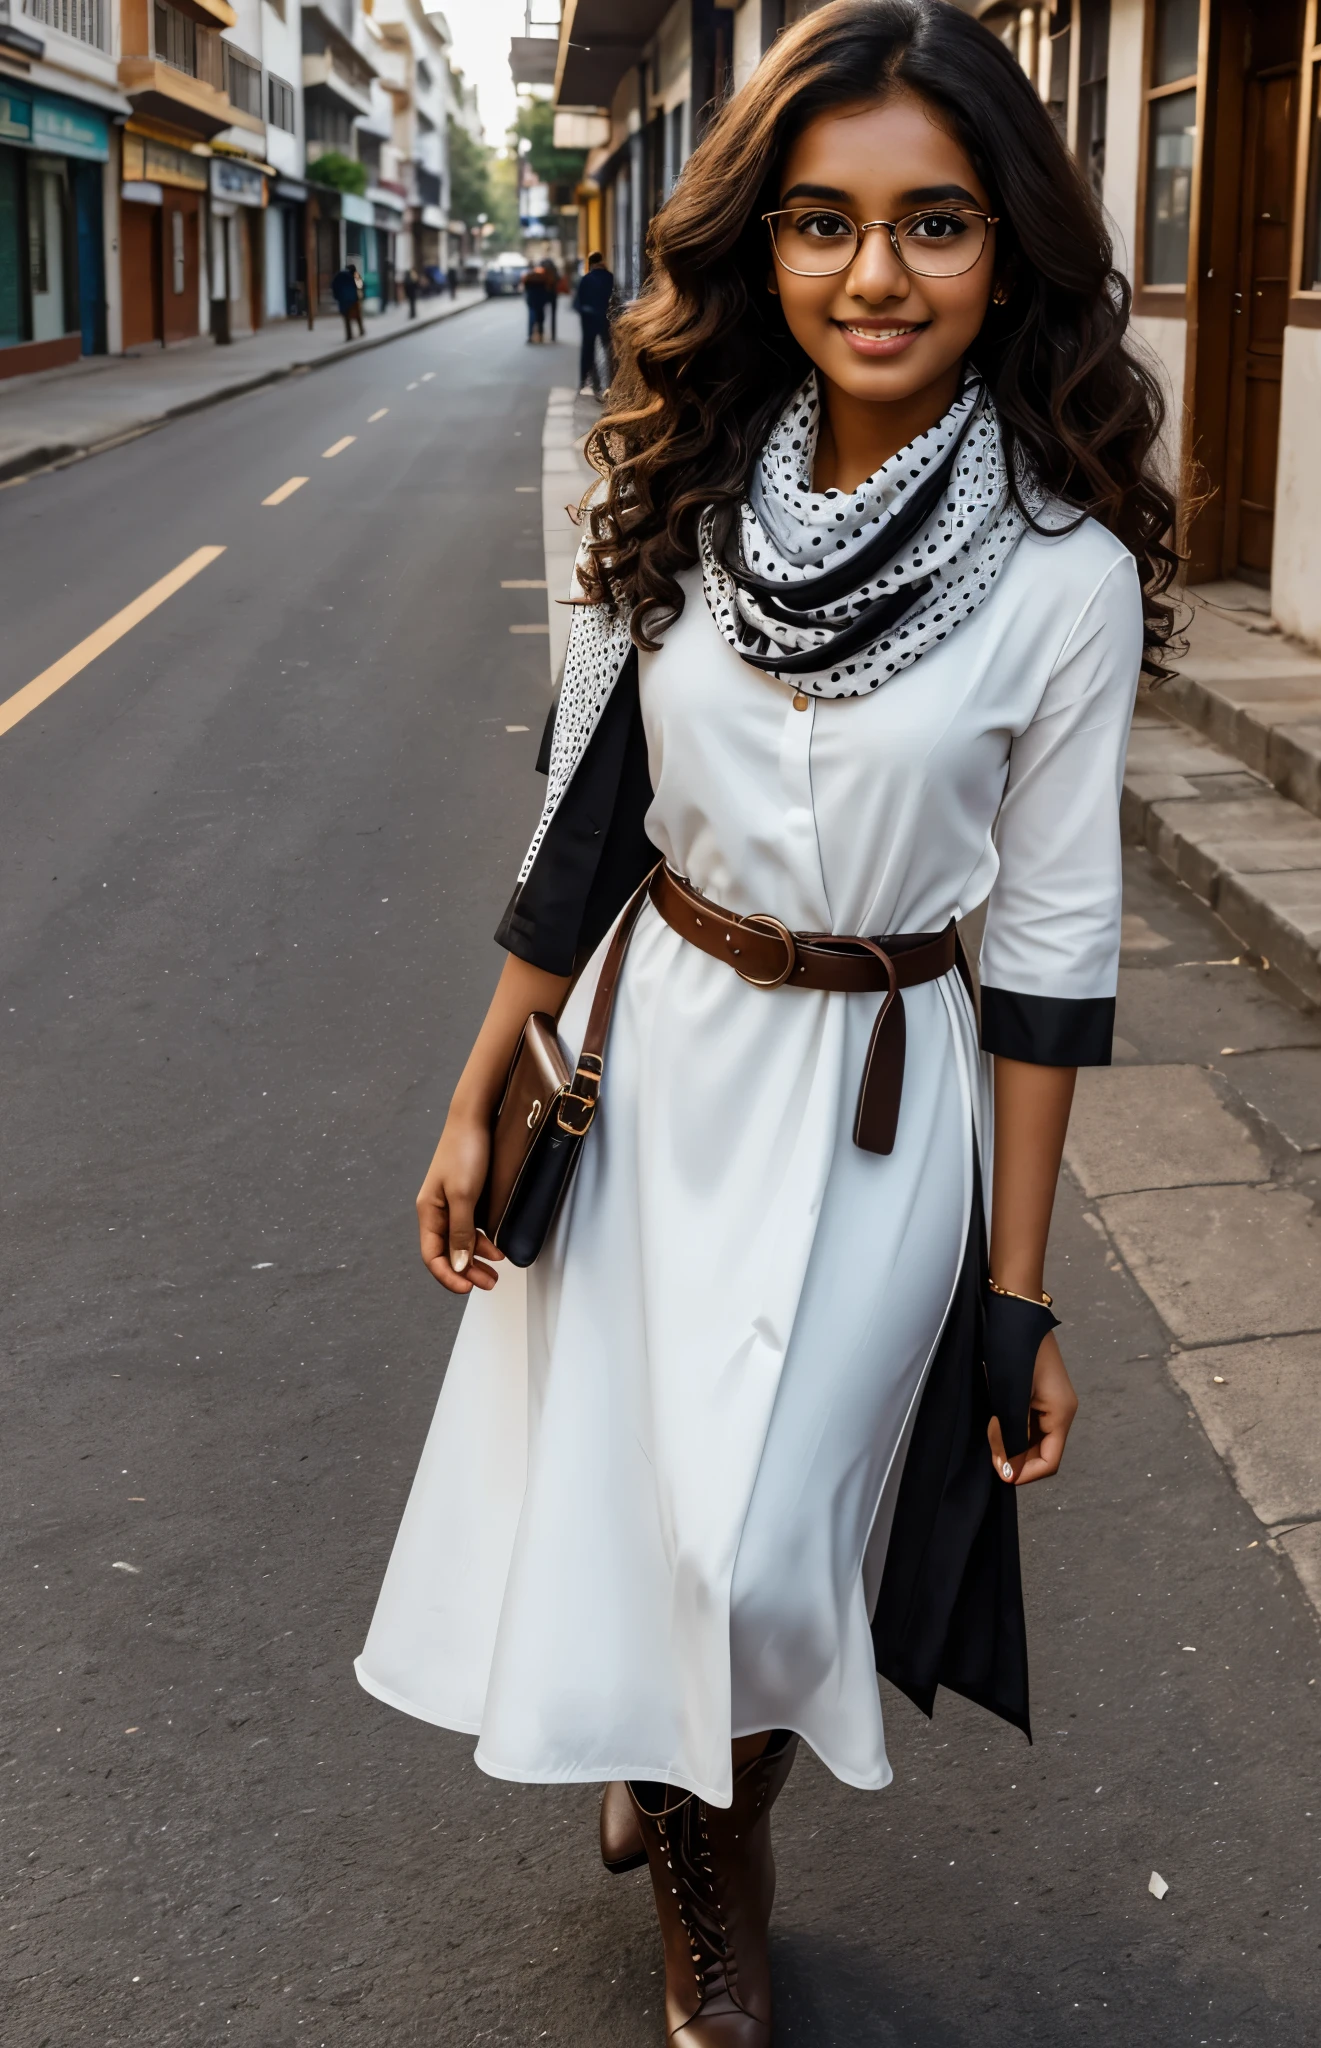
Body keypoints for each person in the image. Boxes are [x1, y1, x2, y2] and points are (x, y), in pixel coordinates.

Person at [355, 2, 1177, 2040]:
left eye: (934, 225)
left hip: (891, 1105)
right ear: (763, 244)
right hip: (659, 1058)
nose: (874, 274)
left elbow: (1061, 938)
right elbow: (587, 816)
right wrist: (481, 1091)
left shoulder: (1064, 572)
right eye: (822, 222)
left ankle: (710, 1809)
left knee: (778, 1544)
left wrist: (1021, 1293)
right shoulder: (691, 485)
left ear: (1011, 253)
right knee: (658, 1499)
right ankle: (699, 1841)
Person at [574, 248, 613, 396]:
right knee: (609, 349)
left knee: (587, 350)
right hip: (605, 319)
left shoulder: (586, 279)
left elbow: (578, 303)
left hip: (589, 319)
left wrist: (586, 312)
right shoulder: (610, 277)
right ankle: (611, 382)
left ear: (590, 264)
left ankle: (585, 381)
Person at [331, 260, 364, 341]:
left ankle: (349, 335)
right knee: (358, 316)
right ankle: (361, 331)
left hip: (343, 300)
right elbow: (361, 286)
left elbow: (333, 286)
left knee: (346, 318)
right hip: (353, 299)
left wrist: (337, 297)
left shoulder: (339, 275)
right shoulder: (355, 275)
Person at [524, 259, 548, 343]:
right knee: (540, 318)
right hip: (540, 300)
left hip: (532, 301)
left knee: (532, 318)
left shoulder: (529, 276)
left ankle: (531, 336)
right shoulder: (542, 276)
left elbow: (526, 287)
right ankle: (540, 335)